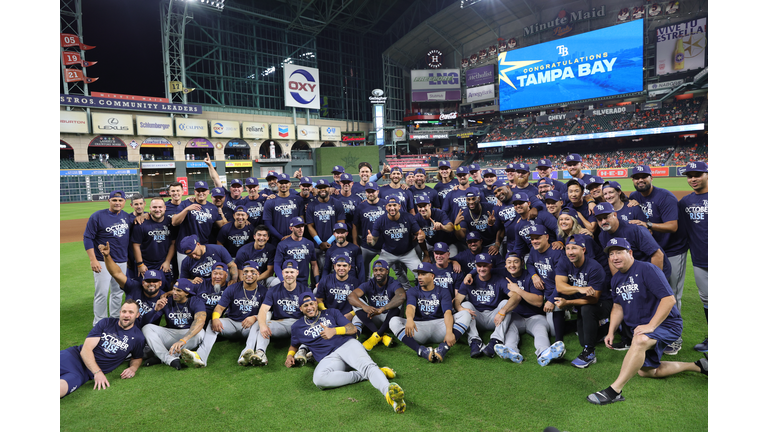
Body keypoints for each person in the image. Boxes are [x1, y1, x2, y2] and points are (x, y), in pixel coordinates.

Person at [586, 237, 707, 405]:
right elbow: (618, 307)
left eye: (619, 252)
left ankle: (614, 391)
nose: (614, 257)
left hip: (666, 324)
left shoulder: (647, 269)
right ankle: (699, 366)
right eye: (611, 254)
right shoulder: (616, 279)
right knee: (648, 372)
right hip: (645, 327)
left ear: (630, 253)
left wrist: (651, 325)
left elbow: (669, 300)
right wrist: (611, 331)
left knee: (640, 340)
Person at [285, 292, 407, 414]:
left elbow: (352, 329)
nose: (309, 307)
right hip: (328, 358)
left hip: (347, 345)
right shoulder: (297, 327)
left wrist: (334, 331)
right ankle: (364, 375)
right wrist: (290, 355)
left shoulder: (331, 313)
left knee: (367, 366)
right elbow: (294, 344)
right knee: (319, 379)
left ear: (316, 303)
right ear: (301, 308)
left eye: (311, 303)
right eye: (305, 305)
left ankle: (391, 396)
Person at [627, 165, 687, 355]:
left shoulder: (665, 197)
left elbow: (673, 226)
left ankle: (675, 338)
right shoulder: (633, 197)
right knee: (655, 293)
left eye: (643, 176)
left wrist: (648, 224)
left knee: (671, 294)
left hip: (672, 250)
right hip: (651, 252)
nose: (640, 180)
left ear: (651, 177)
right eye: (636, 178)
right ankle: (658, 331)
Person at [178, 261, 267, 368]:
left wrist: (255, 317)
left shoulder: (264, 291)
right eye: (246, 272)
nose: (249, 274)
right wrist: (215, 318)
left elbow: (268, 312)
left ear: (258, 274)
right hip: (232, 324)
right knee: (212, 322)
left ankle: (246, 353)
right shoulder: (233, 288)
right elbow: (220, 307)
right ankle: (201, 356)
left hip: (249, 327)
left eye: (252, 272)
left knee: (260, 323)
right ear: (242, 274)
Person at [60, 300, 145, 398]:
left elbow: (137, 357)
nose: (126, 315)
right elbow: (86, 350)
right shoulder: (106, 323)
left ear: (137, 315)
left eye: (131, 312)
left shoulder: (138, 338)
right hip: (73, 357)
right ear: (120, 313)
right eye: (124, 311)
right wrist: (98, 372)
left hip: (83, 374)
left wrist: (133, 368)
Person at [389, 262, 472, 363]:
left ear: (432, 276)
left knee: (466, 314)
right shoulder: (413, 291)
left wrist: (449, 332)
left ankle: (443, 348)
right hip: (419, 329)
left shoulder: (443, 291)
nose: (419, 277)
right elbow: (411, 307)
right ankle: (421, 350)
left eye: (423, 274)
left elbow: (447, 313)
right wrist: (410, 319)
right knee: (393, 321)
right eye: (419, 274)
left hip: (440, 327)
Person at [554, 235, 610, 369]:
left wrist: (568, 303)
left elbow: (594, 298)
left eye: (574, 248)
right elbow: (560, 286)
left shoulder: (594, 267)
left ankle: (589, 353)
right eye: (568, 248)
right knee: (583, 340)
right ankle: (605, 328)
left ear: (583, 250)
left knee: (587, 309)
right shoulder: (564, 262)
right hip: (582, 302)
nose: (570, 252)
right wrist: (580, 288)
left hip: (603, 303)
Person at [84, 190, 132, 325]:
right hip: (102, 260)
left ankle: (115, 320)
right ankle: (99, 323)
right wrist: (93, 259)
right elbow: (88, 237)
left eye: (120, 200)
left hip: (121, 261)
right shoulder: (97, 216)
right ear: (109, 201)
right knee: (102, 293)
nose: (117, 203)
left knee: (117, 293)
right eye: (114, 200)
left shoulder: (126, 216)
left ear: (124, 202)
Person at [454, 253, 514, 359]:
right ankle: (475, 341)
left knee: (506, 303)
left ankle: (495, 341)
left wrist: (502, 311)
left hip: (494, 318)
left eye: (485, 265)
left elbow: (514, 297)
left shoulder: (499, 279)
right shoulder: (468, 280)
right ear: (475, 266)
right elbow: (457, 300)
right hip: (476, 317)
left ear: (491, 266)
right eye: (479, 266)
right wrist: (460, 308)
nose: (482, 268)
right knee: (465, 304)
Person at [251, 260, 308, 366]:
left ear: (297, 273)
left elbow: (311, 313)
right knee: (262, 324)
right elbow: (263, 310)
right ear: (282, 273)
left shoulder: (305, 290)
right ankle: (260, 352)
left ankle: (302, 351)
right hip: (280, 324)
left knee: (310, 325)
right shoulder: (273, 290)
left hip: (298, 324)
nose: (289, 275)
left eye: (292, 272)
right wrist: (263, 325)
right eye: (286, 272)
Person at [141, 279, 207, 370]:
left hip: (187, 336)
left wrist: (183, 340)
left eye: (179, 290)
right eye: (174, 289)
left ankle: (163, 358)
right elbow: (145, 323)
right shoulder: (167, 301)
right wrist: (155, 310)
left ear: (187, 293)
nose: (174, 293)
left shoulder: (196, 301)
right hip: (170, 333)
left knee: (200, 333)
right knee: (147, 328)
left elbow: (200, 321)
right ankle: (169, 358)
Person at [677, 161, 709, 352]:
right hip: (699, 259)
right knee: (707, 300)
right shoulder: (685, 202)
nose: (693, 179)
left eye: (697, 174)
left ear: (707, 174)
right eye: (690, 176)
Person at [99, 242, 166, 328]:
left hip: (148, 331)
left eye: (155, 281)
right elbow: (117, 273)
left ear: (160, 283)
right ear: (143, 282)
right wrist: (107, 256)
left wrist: (170, 292)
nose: (151, 284)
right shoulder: (133, 287)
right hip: (126, 326)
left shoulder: (164, 298)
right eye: (148, 281)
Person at [368, 197, 427, 289]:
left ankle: (424, 293)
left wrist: (422, 236)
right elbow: (373, 241)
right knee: (375, 275)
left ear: (399, 206)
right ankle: (375, 294)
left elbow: (419, 232)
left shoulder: (408, 217)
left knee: (422, 273)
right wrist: (370, 241)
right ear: (386, 207)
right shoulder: (380, 221)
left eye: (394, 205)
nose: (392, 208)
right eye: (389, 205)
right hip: (388, 253)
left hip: (408, 253)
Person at [348, 259, 407, 350]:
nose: (378, 273)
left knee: (397, 301)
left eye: (381, 270)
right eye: (375, 270)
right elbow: (351, 296)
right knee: (356, 304)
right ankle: (379, 335)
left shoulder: (393, 283)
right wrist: (365, 306)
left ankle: (377, 335)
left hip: (391, 320)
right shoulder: (369, 283)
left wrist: (383, 309)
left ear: (387, 271)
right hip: (374, 317)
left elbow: (401, 296)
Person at [171, 180, 226, 265]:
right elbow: (174, 222)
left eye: (203, 190)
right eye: (198, 191)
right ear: (194, 192)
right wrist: (187, 209)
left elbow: (222, 226)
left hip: (202, 248)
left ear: (208, 192)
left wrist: (222, 214)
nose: (201, 193)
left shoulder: (213, 208)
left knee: (201, 275)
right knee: (184, 275)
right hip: (185, 249)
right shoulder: (185, 204)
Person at [131, 197, 175, 286]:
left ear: (165, 208)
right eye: (154, 207)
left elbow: (173, 243)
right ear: (150, 208)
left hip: (163, 264)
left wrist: (167, 261)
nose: (157, 210)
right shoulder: (141, 224)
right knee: (145, 290)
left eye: (160, 207)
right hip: (145, 264)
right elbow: (136, 245)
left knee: (165, 289)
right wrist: (140, 264)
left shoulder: (170, 222)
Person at [306, 179, 346, 271]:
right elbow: (310, 226)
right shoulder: (311, 205)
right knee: (316, 271)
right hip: (317, 246)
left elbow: (341, 225)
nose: (322, 189)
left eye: (324, 187)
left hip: (334, 244)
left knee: (334, 271)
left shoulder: (337, 203)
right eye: (319, 188)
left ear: (329, 188)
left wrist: (329, 242)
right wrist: (320, 243)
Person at [351, 182, 387, 280]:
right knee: (363, 272)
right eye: (368, 192)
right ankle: (365, 291)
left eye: (373, 191)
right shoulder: (360, 207)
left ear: (378, 192)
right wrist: (355, 242)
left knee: (387, 271)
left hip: (384, 245)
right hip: (366, 246)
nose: (371, 194)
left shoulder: (385, 204)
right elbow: (355, 225)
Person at [274, 217, 320, 289]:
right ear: (291, 228)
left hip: (303, 283)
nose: (301, 229)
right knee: (274, 282)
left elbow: (314, 264)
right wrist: (283, 280)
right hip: (288, 281)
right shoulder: (283, 244)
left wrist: (317, 281)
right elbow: (277, 265)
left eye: (302, 226)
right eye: (297, 227)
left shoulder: (309, 244)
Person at [262, 173, 304, 245]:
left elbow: (302, 220)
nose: (283, 185)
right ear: (277, 184)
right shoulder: (270, 201)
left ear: (290, 184)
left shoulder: (298, 199)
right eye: (281, 183)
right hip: (277, 241)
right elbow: (267, 224)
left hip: (296, 239)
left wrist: (293, 236)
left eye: (286, 183)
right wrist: (281, 237)